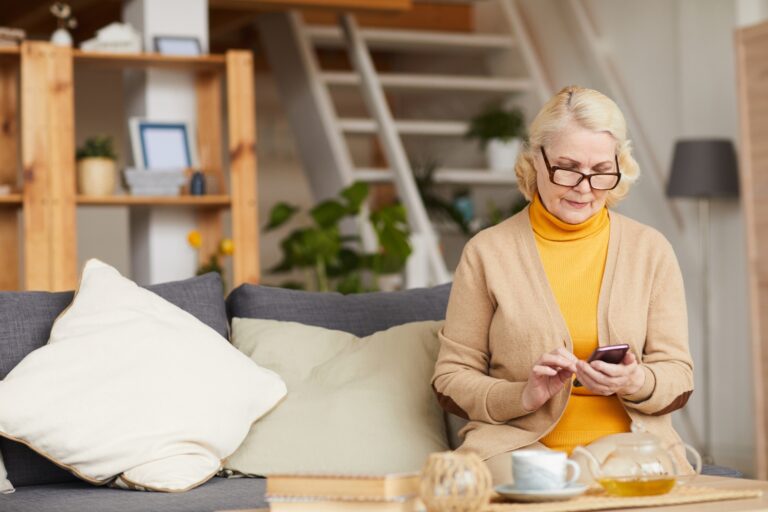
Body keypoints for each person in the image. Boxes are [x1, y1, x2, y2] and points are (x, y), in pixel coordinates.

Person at [431, 85, 694, 484]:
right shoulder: (487, 252)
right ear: (536, 160)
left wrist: (637, 380)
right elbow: (450, 380)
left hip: (628, 447)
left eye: (602, 171)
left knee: (598, 478)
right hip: (513, 445)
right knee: (548, 481)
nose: (585, 187)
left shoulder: (650, 250)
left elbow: (678, 375)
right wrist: (524, 394)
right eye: (568, 168)